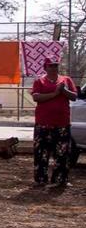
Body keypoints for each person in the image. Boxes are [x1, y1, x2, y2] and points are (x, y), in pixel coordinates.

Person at [31, 57, 77, 189]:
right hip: (43, 123)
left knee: (62, 152)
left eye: (55, 65)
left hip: (62, 123)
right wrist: (55, 93)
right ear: (45, 68)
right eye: (50, 66)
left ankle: (60, 179)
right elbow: (36, 97)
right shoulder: (39, 81)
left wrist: (64, 90)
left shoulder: (66, 80)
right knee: (41, 152)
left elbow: (74, 96)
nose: (53, 68)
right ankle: (40, 179)